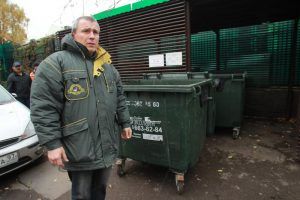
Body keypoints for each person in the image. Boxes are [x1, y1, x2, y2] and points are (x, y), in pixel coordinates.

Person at [30, 16, 132, 200]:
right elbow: (43, 106)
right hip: (79, 148)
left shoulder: (107, 66)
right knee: (81, 194)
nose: (92, 36)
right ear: (73, 34)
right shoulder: (56, 63)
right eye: (86, 31)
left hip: (107, 143)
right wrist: (52, 144)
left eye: (96, 32)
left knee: (100, 190)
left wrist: (125, 122)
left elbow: (119, 97)